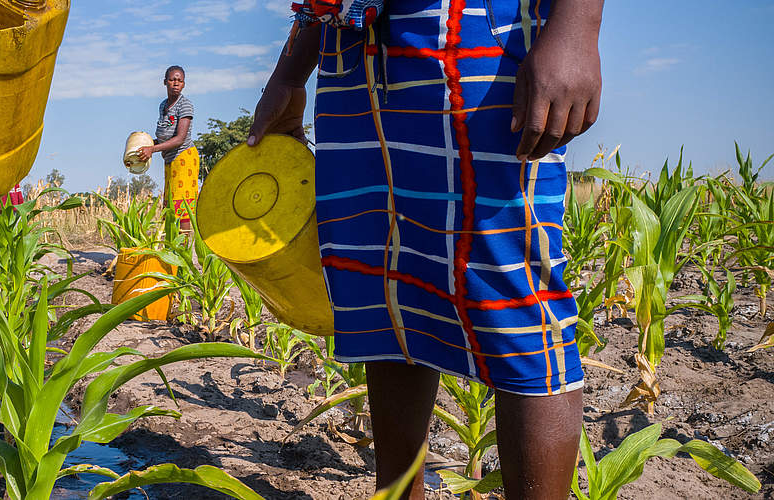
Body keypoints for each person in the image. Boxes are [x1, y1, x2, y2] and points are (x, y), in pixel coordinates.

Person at [247, 0, 602, 498]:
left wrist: (576, 26)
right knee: (390, 293)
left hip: (475, 32)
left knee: (516, 301)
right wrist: (290, 70)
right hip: (352, 45)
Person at [138, 65, 199, 231]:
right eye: (172, 80)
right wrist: (147, 144)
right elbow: (165, 136)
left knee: (182, 203)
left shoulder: (185, 105)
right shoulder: (163, 105)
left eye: (179, 80)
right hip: (170, 159)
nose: (176, 83)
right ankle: (172, 244)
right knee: (170, 203)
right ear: (165, 82)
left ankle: (184, 246)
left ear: (184, 84)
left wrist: (152, 150)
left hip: (184, 157)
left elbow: (179, 139)